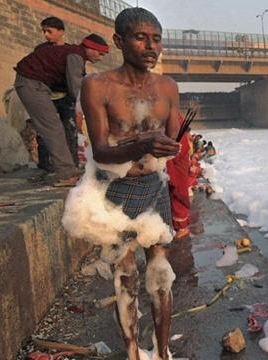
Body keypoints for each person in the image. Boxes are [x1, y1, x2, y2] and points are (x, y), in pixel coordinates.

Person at [81, 8, 180, 359]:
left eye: (156, 39)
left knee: (162, 277)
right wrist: (141, 145)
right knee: (126, 278)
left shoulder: (167, 86)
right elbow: (102, 151)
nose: (151, 46)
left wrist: (171, 147)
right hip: (116, 189)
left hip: (153, 185)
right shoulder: (97, 85)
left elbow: (173, 143)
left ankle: (163, 351)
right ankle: (133, 352)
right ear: (119, 41)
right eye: (141, 37)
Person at [14, 33, 109, 185]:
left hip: (35, 84)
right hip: (31, 83)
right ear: (90, 48)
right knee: (52, 128)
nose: (100, 58)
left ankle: (67, 170)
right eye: (100, 53)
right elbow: (76, 89)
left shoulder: (75, 55)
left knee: (55, 127)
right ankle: (66, 174)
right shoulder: (75, 56)